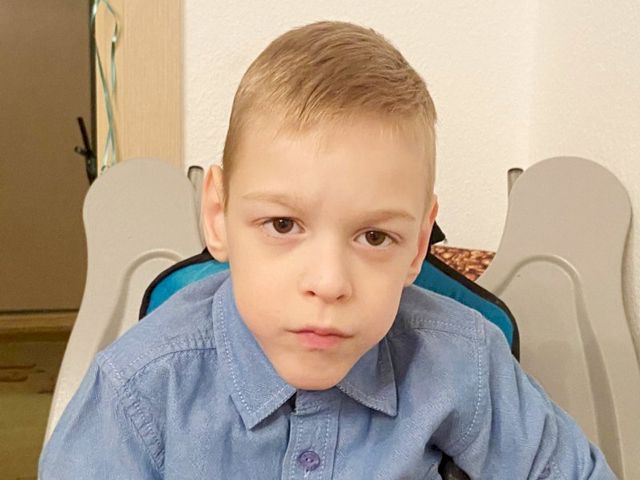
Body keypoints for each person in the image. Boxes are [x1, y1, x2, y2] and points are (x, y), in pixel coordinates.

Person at [39, 20, 616, 479]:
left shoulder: (463, 360)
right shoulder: (138, 387)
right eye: (283, 224)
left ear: (419, 245)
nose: (329, 282)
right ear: (217, 215)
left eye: (374, 237)